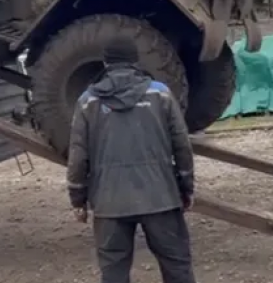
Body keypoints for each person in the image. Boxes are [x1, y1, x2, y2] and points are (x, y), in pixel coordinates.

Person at [66, 36, 196, 283]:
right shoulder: (161, 94)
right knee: (177, 266)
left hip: (108, 202)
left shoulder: (87, 101)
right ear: (135, 61)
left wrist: (78, 199)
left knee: (113, 272)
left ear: (106, 63)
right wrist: (186, 187)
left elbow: (78, 157)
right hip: (161, 198)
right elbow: (182, 146)